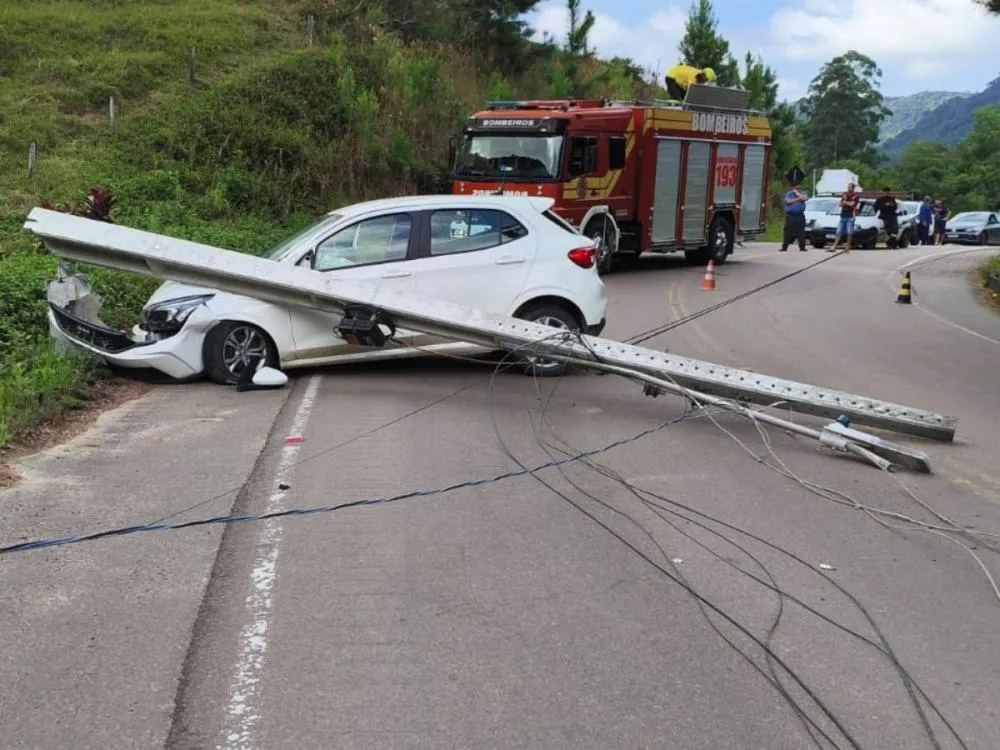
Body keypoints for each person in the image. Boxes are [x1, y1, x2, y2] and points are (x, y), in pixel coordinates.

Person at [828, 182, 859, 253]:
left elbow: (852, 204)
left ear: (853, 188)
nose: (849, 188)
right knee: (839, 231)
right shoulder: (844, 194)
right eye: (848, 187)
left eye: (850, 187)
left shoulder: (856, 195)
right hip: (843, 215)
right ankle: (834, 246)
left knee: (849, 232)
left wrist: (845, 202)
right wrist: (846, 203)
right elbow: (840, 203)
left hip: (851, 216)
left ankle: (847, 247)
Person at [779, 180, 808, 252]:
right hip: (790, 215)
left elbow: (805, 198)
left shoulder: (802, 193)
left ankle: (802, 247)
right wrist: (798, 199)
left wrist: (797, 194)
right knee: (788, 231)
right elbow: (788, 201)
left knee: (801, 232)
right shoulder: (789, 194)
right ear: (793, 187)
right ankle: (784, 246)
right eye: (796, 187)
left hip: (800, 215)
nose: (798, 188)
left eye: (798, 187)